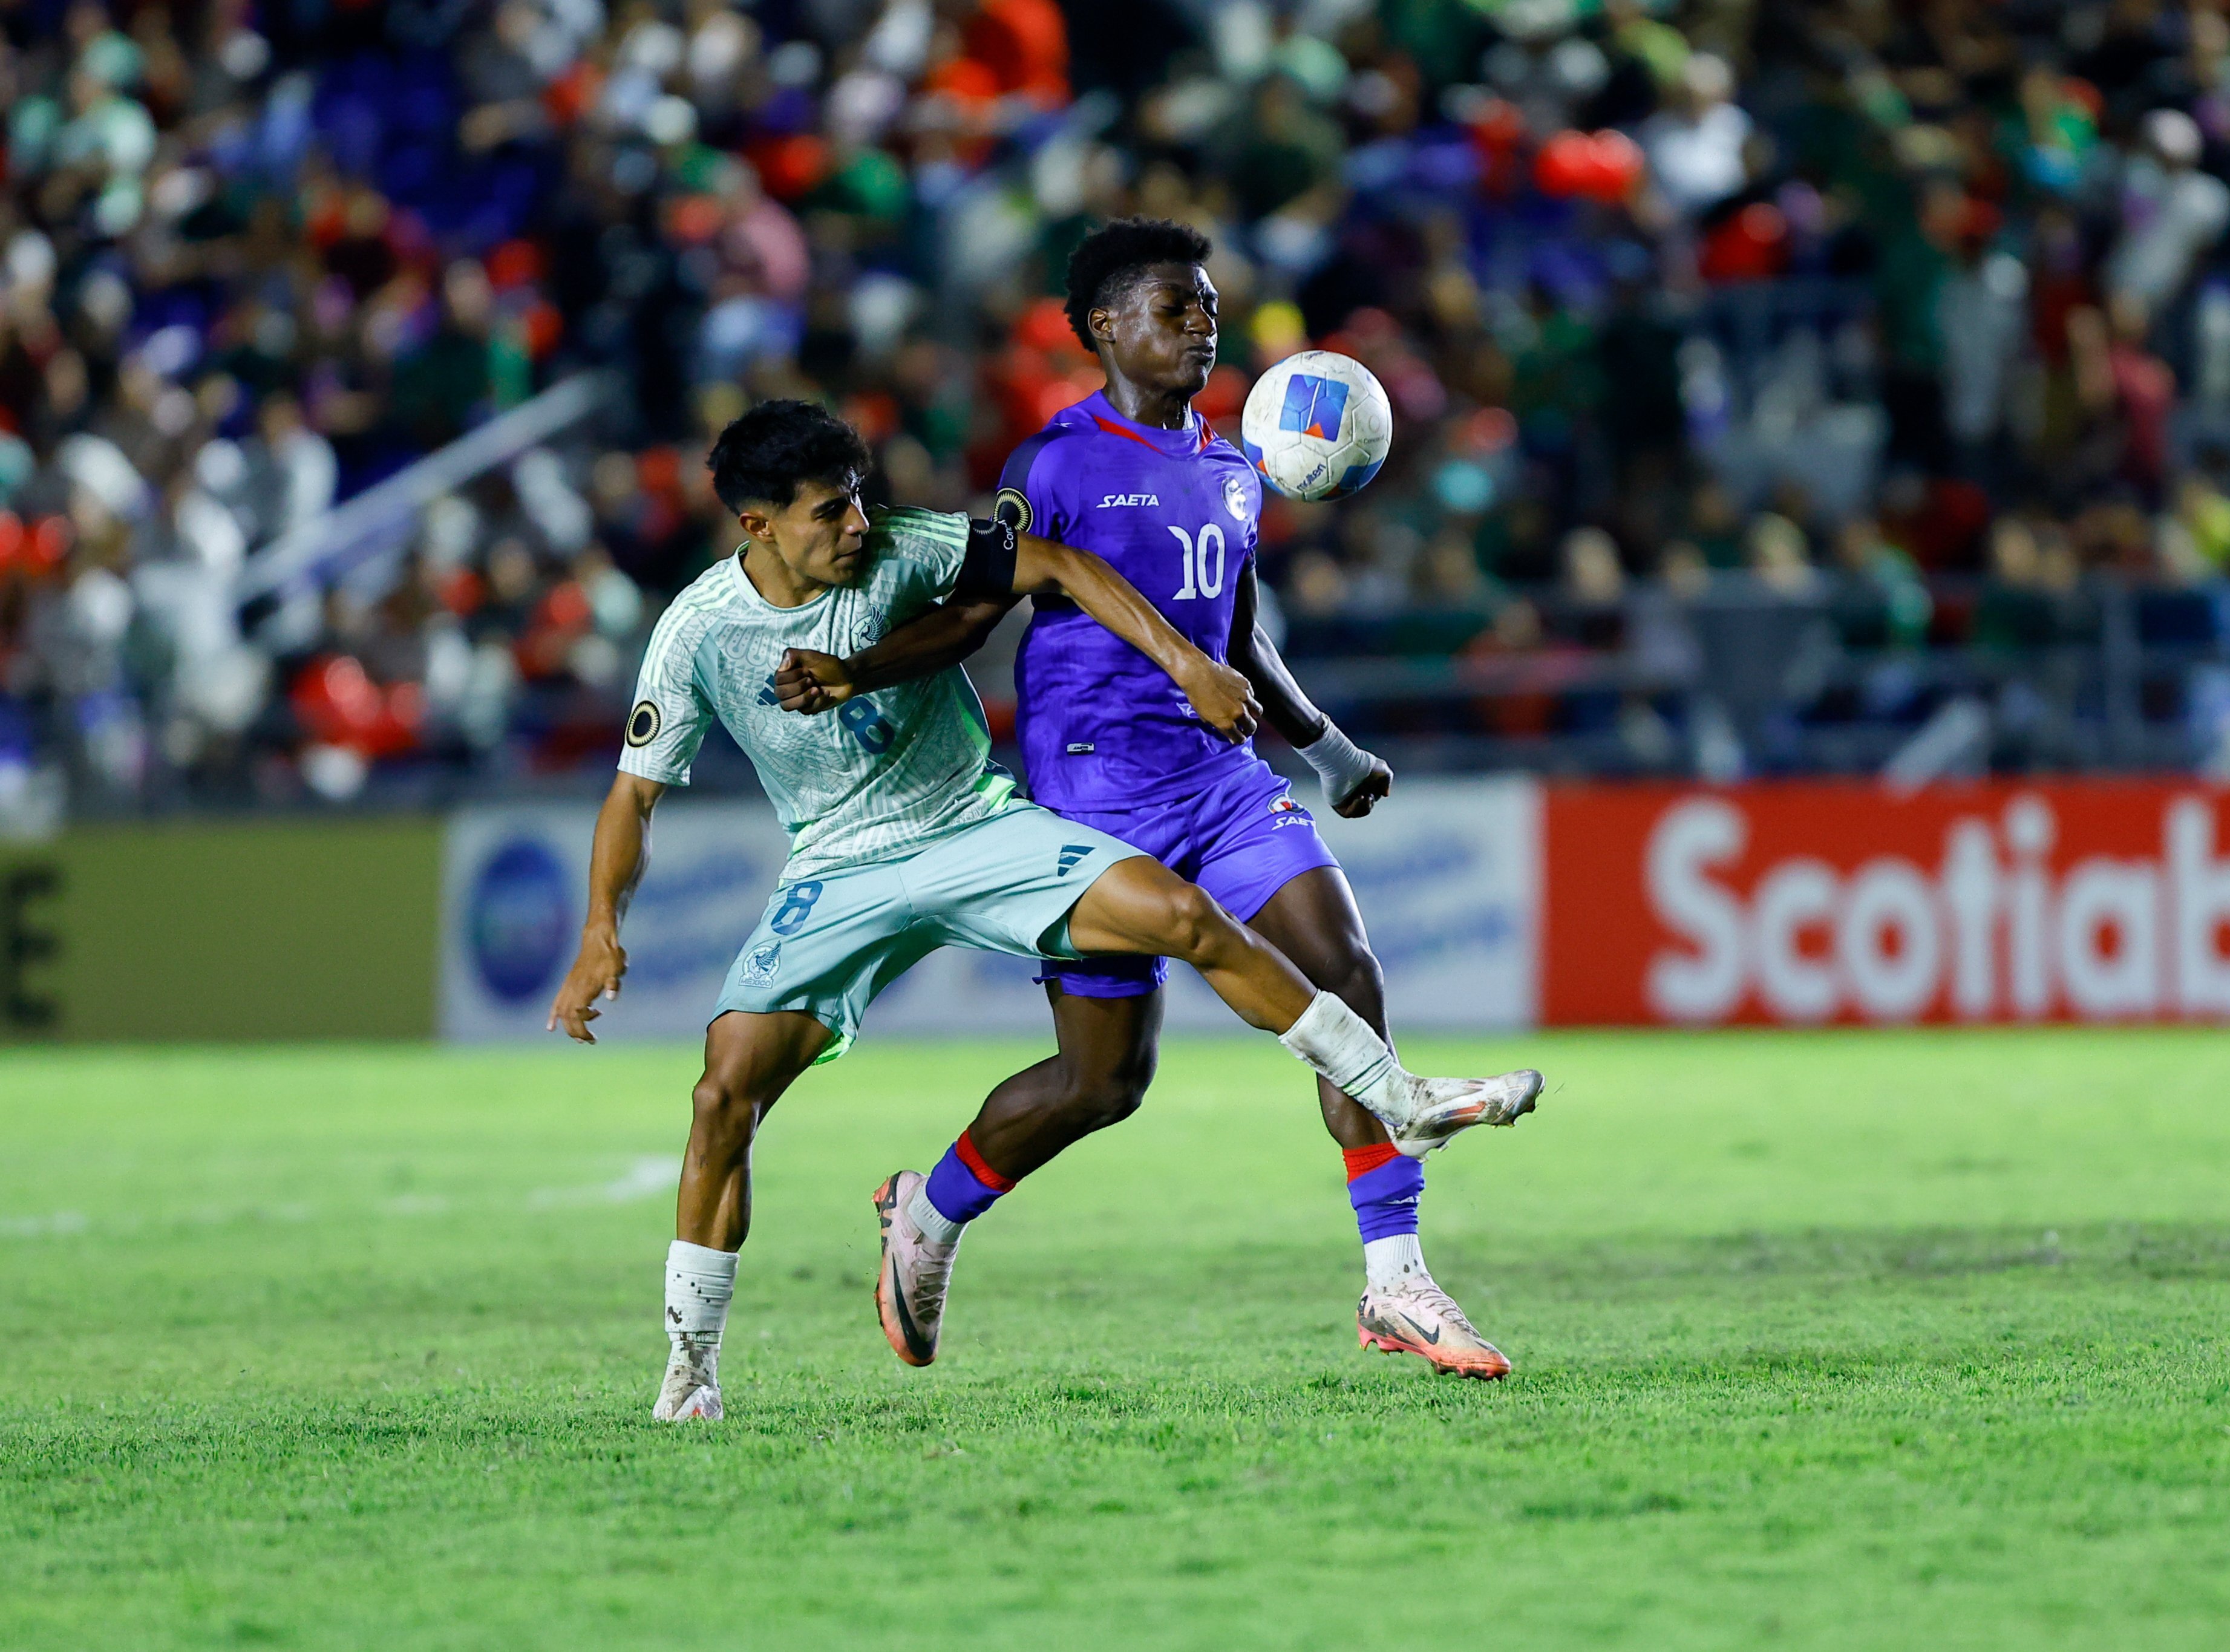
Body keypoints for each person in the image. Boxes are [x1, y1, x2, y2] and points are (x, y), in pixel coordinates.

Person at [548, 399, 1540, 1422]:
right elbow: (634, 792)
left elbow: (1063, 567)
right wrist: (598, 931)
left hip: (973, 827)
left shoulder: (908, 544)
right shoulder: (698, 630)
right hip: (836, 868)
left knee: (1185, 917)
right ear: (757, 527)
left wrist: (1192, 661)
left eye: (856, 500)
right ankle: (689, 1374)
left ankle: (1396, 1095)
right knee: (724, 1099)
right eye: (826, 513)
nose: (856, 525)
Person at [767, 218, 1520, 1379]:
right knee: (1103, 1081)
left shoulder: (1233, 467)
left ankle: (1397, 1281)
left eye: (1209, 309)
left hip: (1220, 787)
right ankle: (930, 1210)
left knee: (1347, 973)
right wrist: (857, 671)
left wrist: (1328, 753)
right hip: (1093, 806)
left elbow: (1239, 639)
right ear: (1105, 327)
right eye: (1176, 307)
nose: (1202, 325)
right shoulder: (1055, 464)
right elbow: (975, 616)